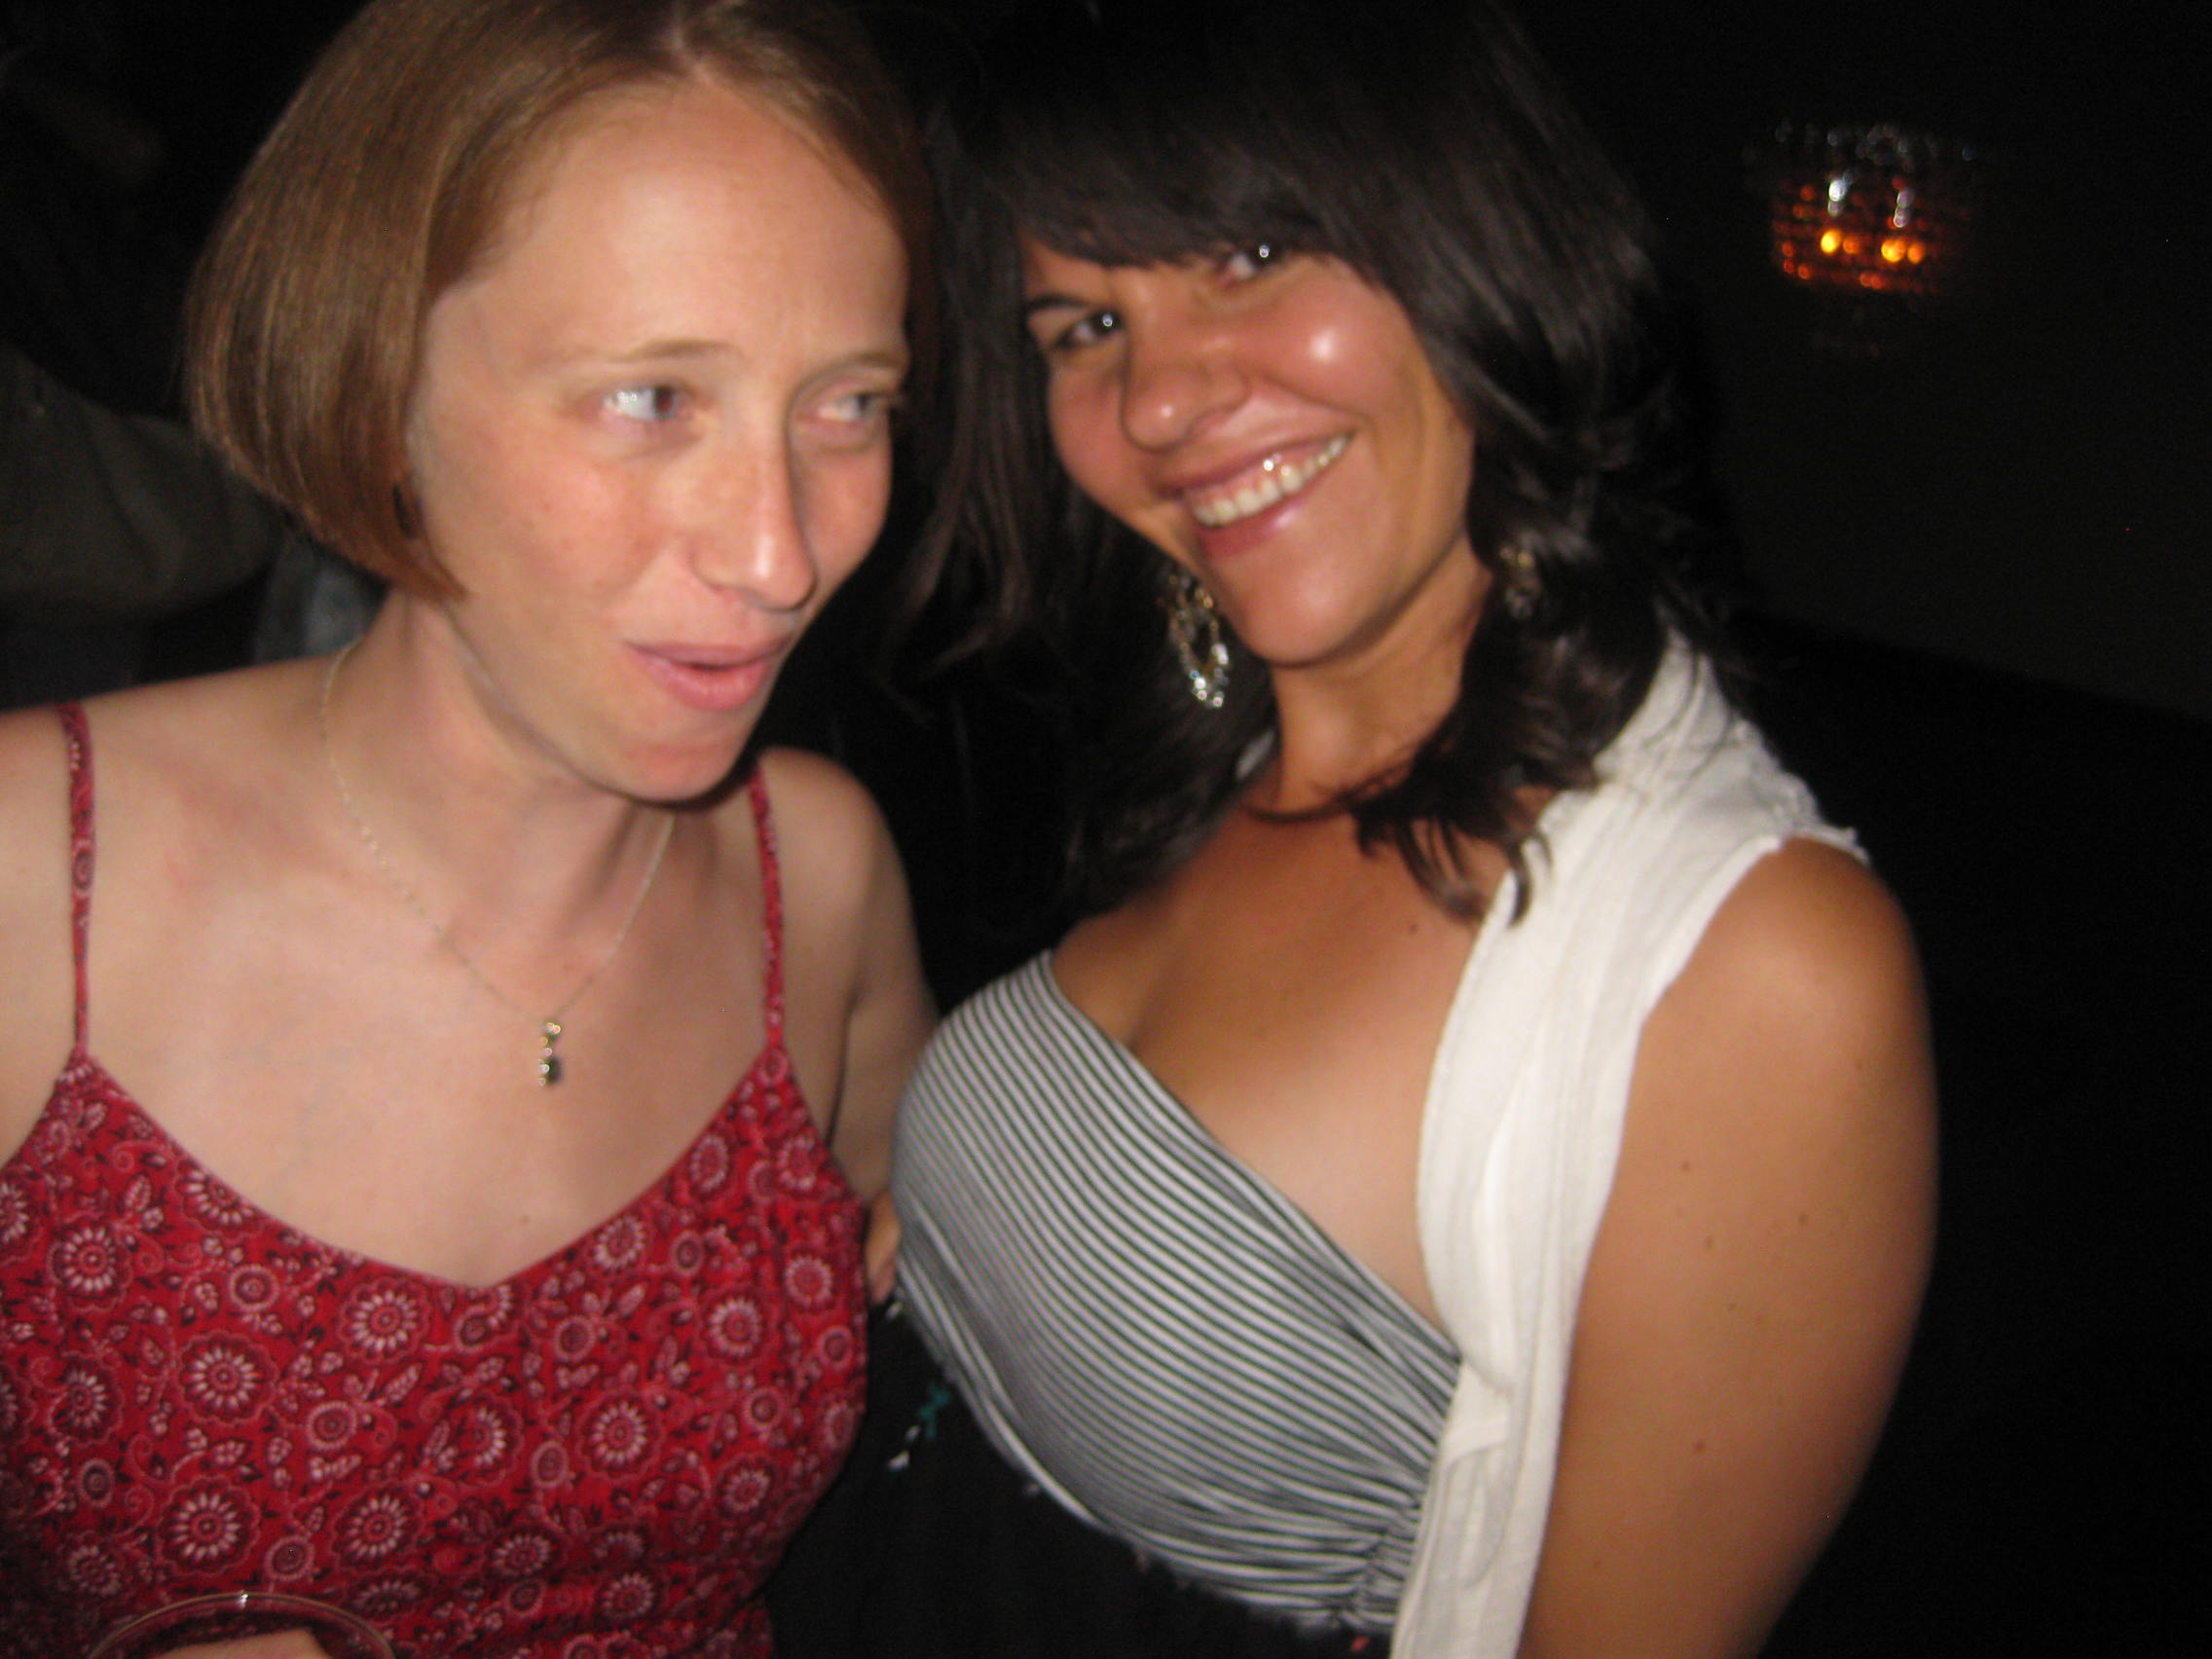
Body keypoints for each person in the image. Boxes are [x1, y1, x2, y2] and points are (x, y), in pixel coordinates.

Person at [822, 1, 1936, 1655]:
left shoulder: (1761, 972)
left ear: (1477, 242)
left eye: (1253, 253)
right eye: (1087, 325)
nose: (1159, 400)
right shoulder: (1205, 769)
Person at [0, 1, 934, 1654]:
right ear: (375, 389)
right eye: (652, 397)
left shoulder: (819, 872)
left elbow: (927, 1271)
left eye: (845, 405)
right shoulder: (32, 875)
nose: (781, 553)